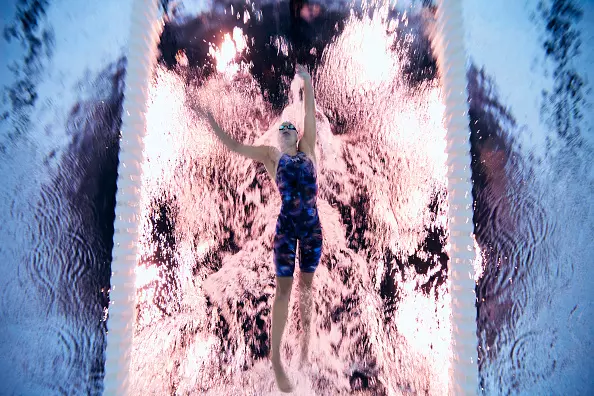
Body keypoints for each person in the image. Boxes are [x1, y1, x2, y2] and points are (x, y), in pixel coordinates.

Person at [197, 64, 322, 393]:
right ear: (277, 139)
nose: (285, 130)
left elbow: (309, 112)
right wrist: (213, 124)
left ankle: (306, 346)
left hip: (311, 229)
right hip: (285, 229)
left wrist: (306, 83)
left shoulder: (309, 148)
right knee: (284, 290)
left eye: (289, 128)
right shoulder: (270, 156)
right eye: (280, 129)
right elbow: (236, 146)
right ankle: (276, 359)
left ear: (296, 135)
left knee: (306, 288)